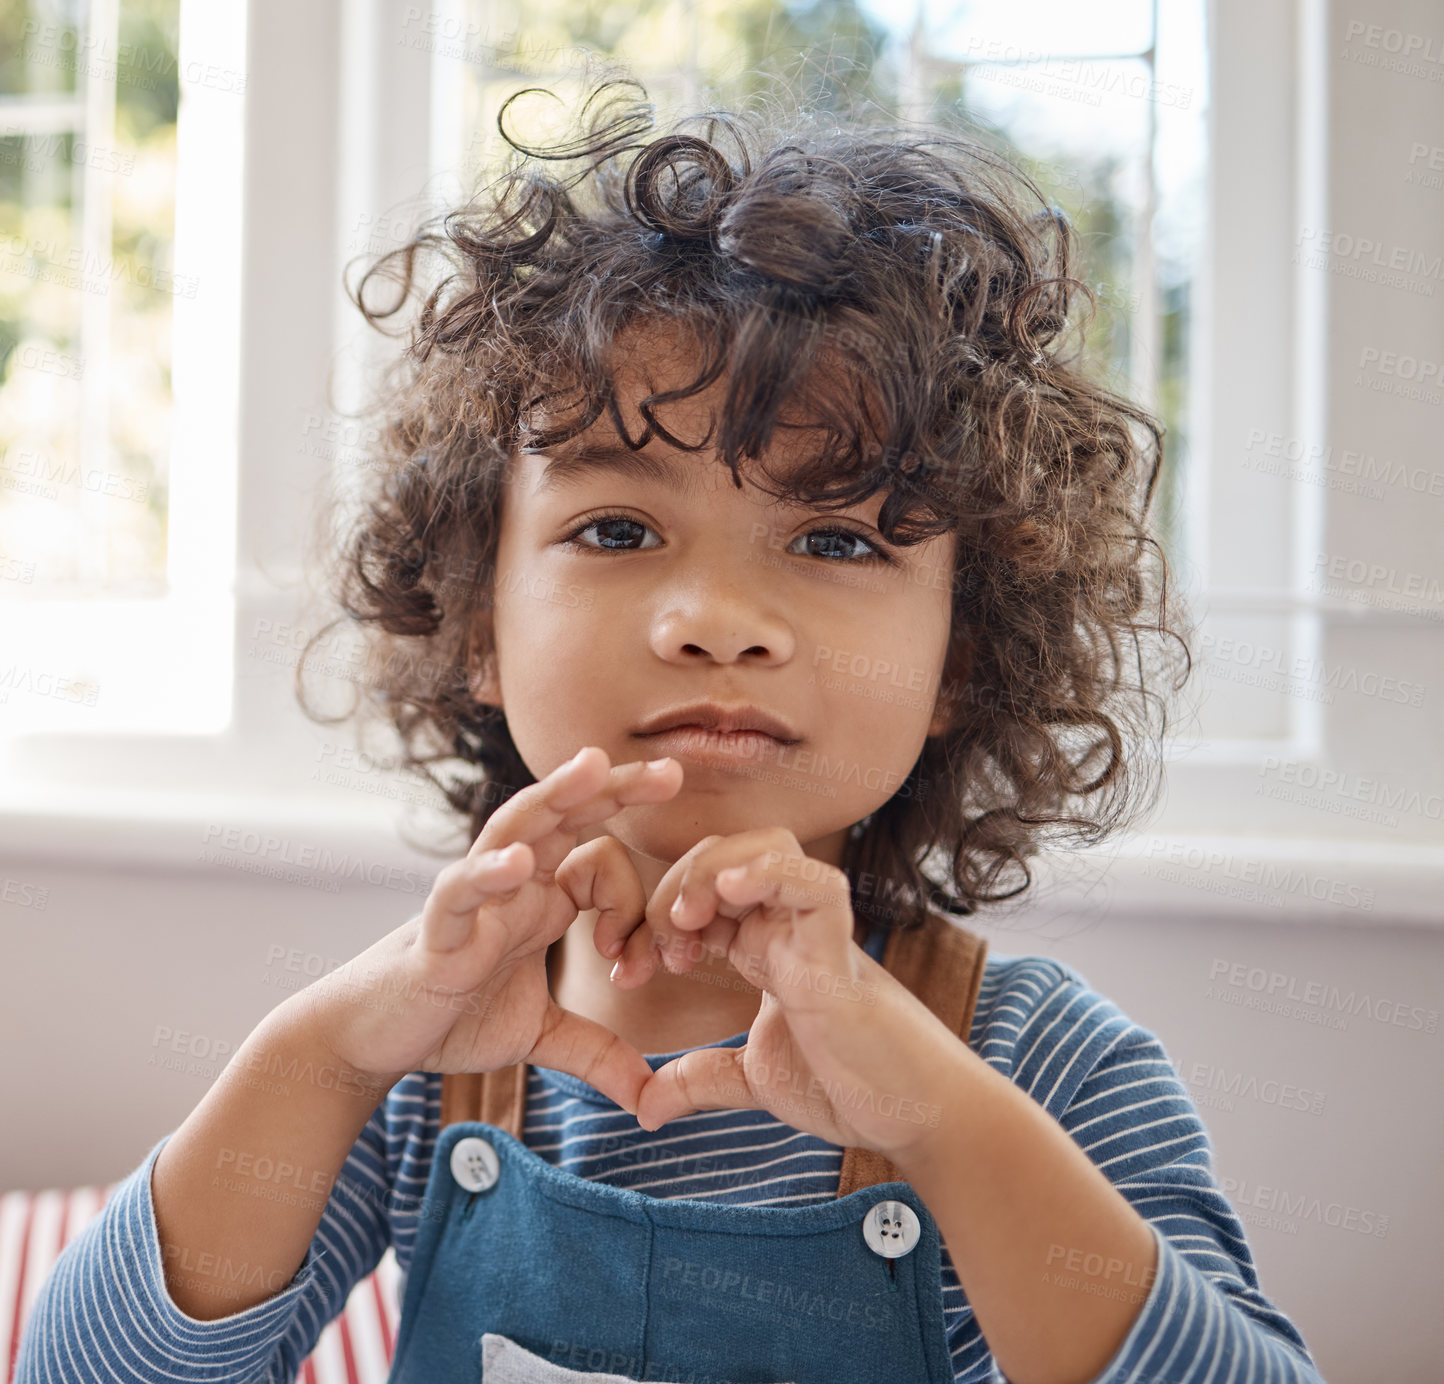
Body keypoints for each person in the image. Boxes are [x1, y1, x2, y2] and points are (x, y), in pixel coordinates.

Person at [15, 76, 1328, 1384]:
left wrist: (939, 1118)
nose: (716, 619)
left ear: (957, 665)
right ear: (478, 626)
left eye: (834, 537)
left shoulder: (1042, 1066)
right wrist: (330, 1052)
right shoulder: (423, 1057)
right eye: (619, 531)